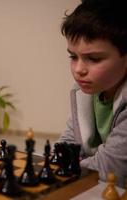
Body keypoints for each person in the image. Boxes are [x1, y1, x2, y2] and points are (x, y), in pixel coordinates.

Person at [59, 0, 127, 187]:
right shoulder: (83, 91)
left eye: (94, 58)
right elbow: (69, 141)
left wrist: (60, 170)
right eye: (73, 57)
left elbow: (110, 168)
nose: (79, 69)